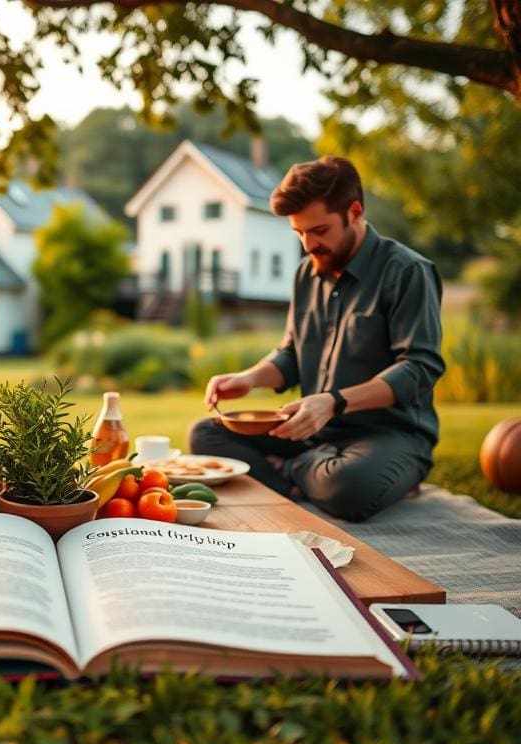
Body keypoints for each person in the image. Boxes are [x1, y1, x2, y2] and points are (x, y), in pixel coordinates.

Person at [188, 156, 445, 522]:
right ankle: (303, 478)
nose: (309, 244)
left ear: (354, 212)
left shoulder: (407, 271)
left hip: (389, 435)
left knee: (349, 486)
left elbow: (419, 368)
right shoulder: (305, 275)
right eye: (299, 233)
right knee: (206, 434)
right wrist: (250, 378)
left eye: (320, 230)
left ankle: (288, 472)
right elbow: (292, 354)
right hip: (311, 431)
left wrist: (333, 402)